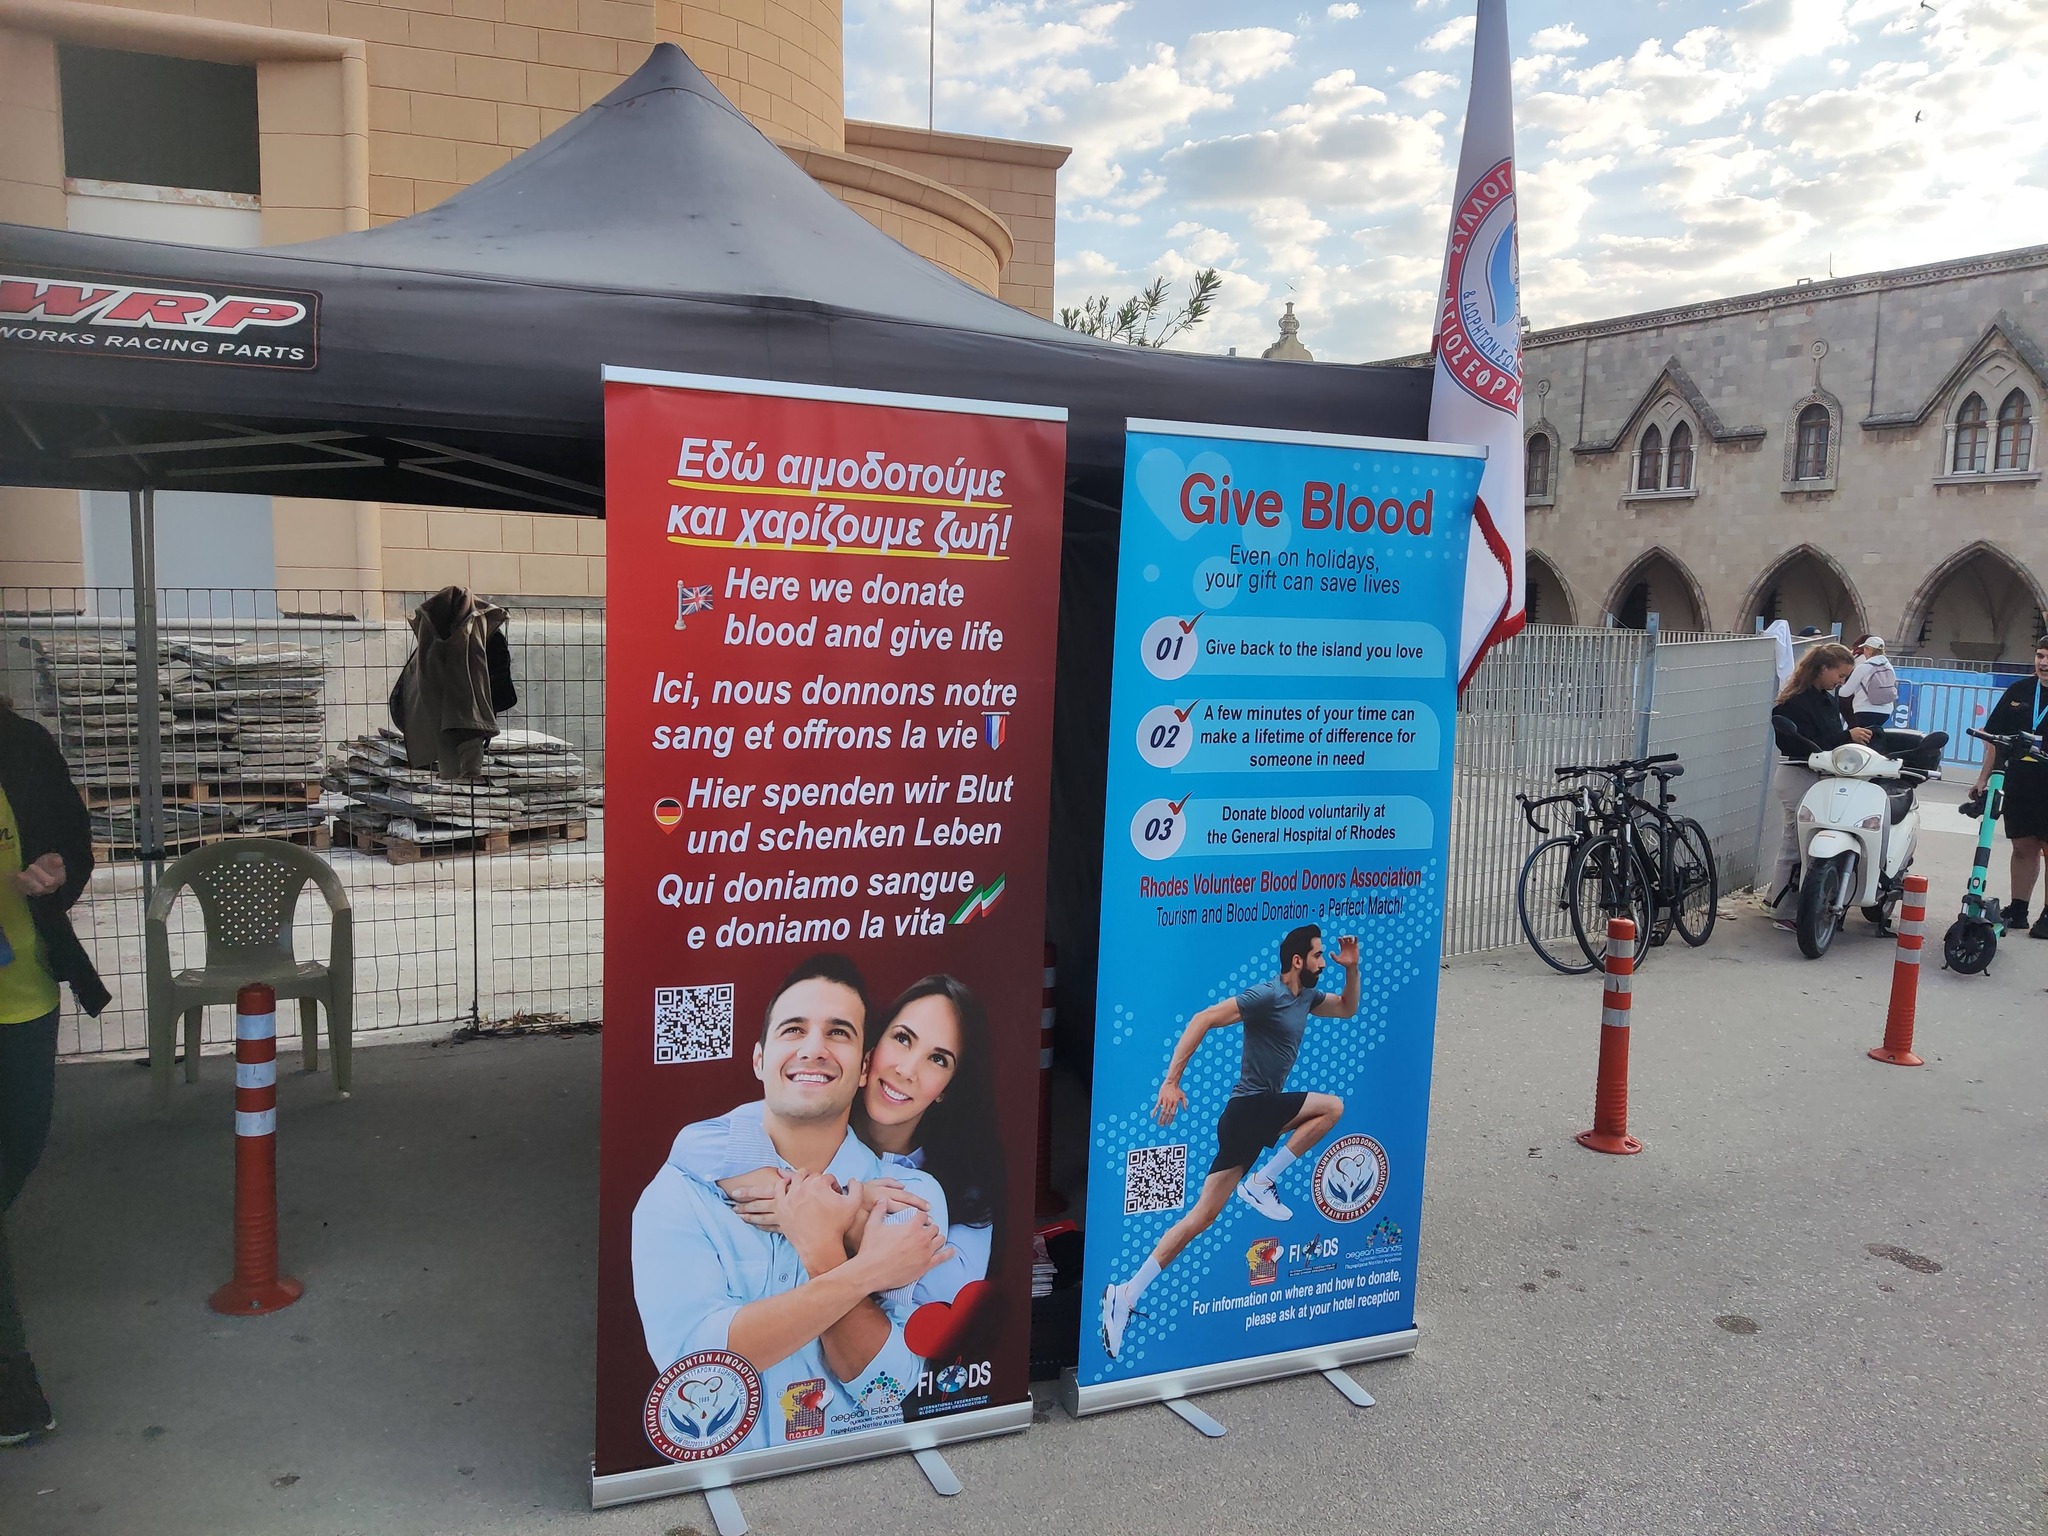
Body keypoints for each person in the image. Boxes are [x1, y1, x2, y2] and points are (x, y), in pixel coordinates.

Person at [631, 955, 954, 1453]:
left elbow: (888, 1392)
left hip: (864, 1477)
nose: (813, 1049)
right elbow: (694, 1370)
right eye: (794, 1029)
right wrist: (861, 1272)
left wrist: (822, 1249)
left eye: (839, 1033)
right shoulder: (682, 1189)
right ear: (759, 1059)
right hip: (716, 1476)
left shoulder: (908, 1197)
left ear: (864, 1068)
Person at [1098, 924, 1361, 1361]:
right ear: (1297, 960)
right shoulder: (1267, 995)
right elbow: (1202, 1019)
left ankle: (1126, 1293)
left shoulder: (1307, 999)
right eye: (1318, 955)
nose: (1323, 962)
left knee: (1201, 1217)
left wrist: (1352, 969)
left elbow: (1348, 1008)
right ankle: (1262, 1182)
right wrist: (1171, 1081)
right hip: (1250, 1110)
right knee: (1332, 1107)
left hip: (1251, 1121)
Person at [686, 973, 1004, 1307]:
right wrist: (840, 1201)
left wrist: (844, 1217)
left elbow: (946, 1292)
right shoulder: (813, 1107)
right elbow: (695, 1144)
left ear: (948, 1088)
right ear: (870, 1048)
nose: (907, 1070)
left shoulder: (958, 1184)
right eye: (902, 1039)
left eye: (938, 1059)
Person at [0, 695, 108, 1447]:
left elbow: (73, 841)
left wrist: (55, 871)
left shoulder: (22, 745)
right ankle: (10, 1370)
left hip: (22, 1000)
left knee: (18, 1156)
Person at [1769, 642, 1870, 926]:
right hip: (1798, 774)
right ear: (1823, 669)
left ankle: (1777, 898)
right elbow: (1807, 743)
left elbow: (1825, 739)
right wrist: (1847, 737)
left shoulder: (1825, 698)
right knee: (1795, 843)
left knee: (1802, 842)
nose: (1842, 682)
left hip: (1816, 776)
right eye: (1840, 675)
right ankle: (1784, 912)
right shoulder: (1795, 702)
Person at [1964, 638, 2048, 938]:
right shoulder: (2019, 690)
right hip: (2020, 779)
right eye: (2040, 655)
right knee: (2023, 847)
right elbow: (1994, 740)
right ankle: (2019, 908)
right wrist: (1982, 779)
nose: (2044, 663)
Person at [1838, 636, 1900, 733]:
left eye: (1865, 649)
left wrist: (1838, 688)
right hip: (1886, 711)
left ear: (1869, 650)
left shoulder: (1863, 667)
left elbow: (1845, 693)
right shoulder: (1889, 667)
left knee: (1857, 738)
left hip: (1864, 710)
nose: (1864, 652)